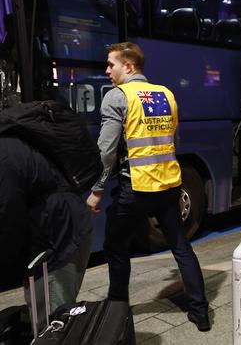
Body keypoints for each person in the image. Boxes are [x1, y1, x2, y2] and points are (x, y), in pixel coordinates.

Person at [85, 42, 210, 332]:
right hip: (168, 187)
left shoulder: (117, 97)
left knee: (115, 247)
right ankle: (200, 312)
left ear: (128, 66)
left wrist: (97, 189)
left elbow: (106, 150)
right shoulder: (166, 94)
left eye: (110, 64)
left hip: (135, 189)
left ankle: (117, 312)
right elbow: (172, 141)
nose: (107, 70)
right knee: (181, 247)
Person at [0, 135, 92, 328]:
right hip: (54, 230)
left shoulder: (4, 157)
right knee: (44, 310)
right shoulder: (9, 144)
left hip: (58, 239)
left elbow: (8, 216)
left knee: (51, 322)